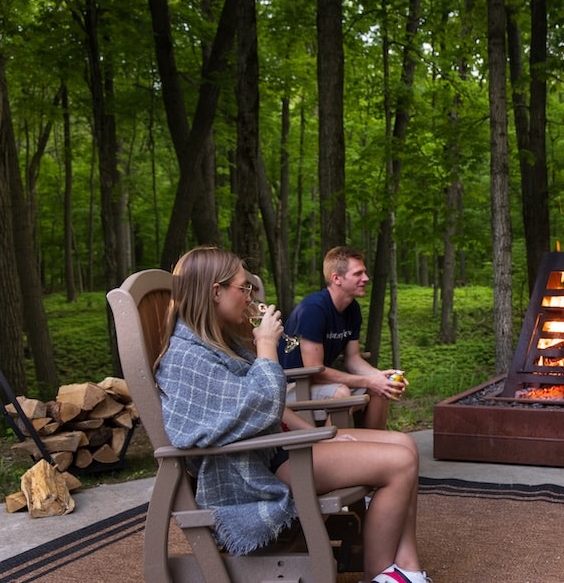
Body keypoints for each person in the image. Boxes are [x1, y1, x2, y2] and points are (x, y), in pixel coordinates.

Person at [154, 246, 430, 583]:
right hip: (258, 469)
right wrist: (267, 344)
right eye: (244, 288)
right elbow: (261, 404)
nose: (249, 296)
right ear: (215, 292)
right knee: (398, 462)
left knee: (405, 444)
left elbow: (274, 409)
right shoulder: (187, 358)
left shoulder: (219, 342)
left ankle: (408, 569)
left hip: (278, 447)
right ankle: (381, 576)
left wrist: (331, 435)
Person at [280, 246, 403, 430]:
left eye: (365, 273)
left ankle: (374, 448)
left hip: (316, 384)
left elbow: (353, 359)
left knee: (381, 390)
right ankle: (335, 452)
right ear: (336, 278)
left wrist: (381, 378)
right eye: (358, 274)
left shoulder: (352, 310)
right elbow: (315, 371)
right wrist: (369, 381)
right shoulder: (313, 309)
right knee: (341, 394)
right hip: (292, 386)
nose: (366, 279)